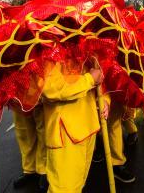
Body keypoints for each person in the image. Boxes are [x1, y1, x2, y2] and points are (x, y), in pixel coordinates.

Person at [41, 59, 107, 193]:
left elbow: (99, 76)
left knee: (78, 185)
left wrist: (104, 99)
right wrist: (89, 79)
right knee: (64, 189)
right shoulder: (47, 47)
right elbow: (50, 87)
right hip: (66, 134)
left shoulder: (86, 42)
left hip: (88, 127)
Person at [12, 106, 48, 191]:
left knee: (43, 128)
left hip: (40, 94)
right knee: (23, 130)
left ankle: (44, 169)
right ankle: (29, 169)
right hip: (17, 95)